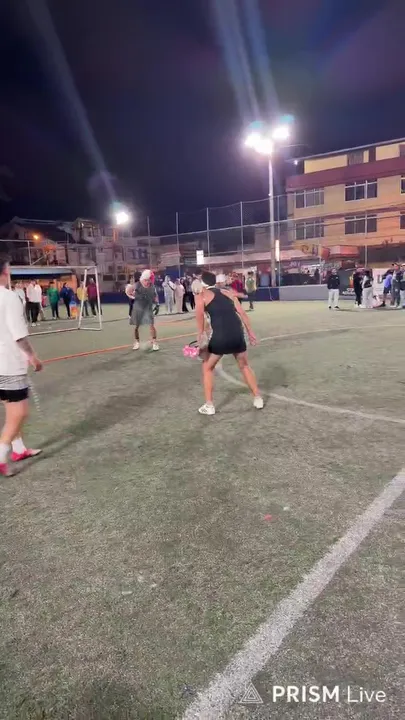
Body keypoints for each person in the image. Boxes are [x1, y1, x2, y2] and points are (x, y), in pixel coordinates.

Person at [195, 271, 263, 416]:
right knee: (244, 366)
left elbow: (199, 317)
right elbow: (242, 314)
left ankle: (209, 405)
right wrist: (250, 333)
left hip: (221, 337)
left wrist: (200, 336)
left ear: (203, 284)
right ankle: (257, 398)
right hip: (237, 334)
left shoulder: (202, 295)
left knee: (207, 367)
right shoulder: (228, 293)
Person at [0, 257, 43, 476]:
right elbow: (19, 335)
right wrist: (33, 357)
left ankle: (19, 449)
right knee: (19, 412)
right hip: (8, 364)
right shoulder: (8, 297)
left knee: (10, 408)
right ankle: (1, 456)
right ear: (5, 272)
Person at [130, 269, 159, 351]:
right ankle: (137, 342)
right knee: (136, 326)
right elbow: (131, 294)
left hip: (148, 307)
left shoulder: (152, 286)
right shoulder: (137, 285)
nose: (149, 281)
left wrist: (157, 304)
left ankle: (154, 342)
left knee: (151, 325)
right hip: (139, 308)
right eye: (147, 280)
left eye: (149, 280)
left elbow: (155, 295)